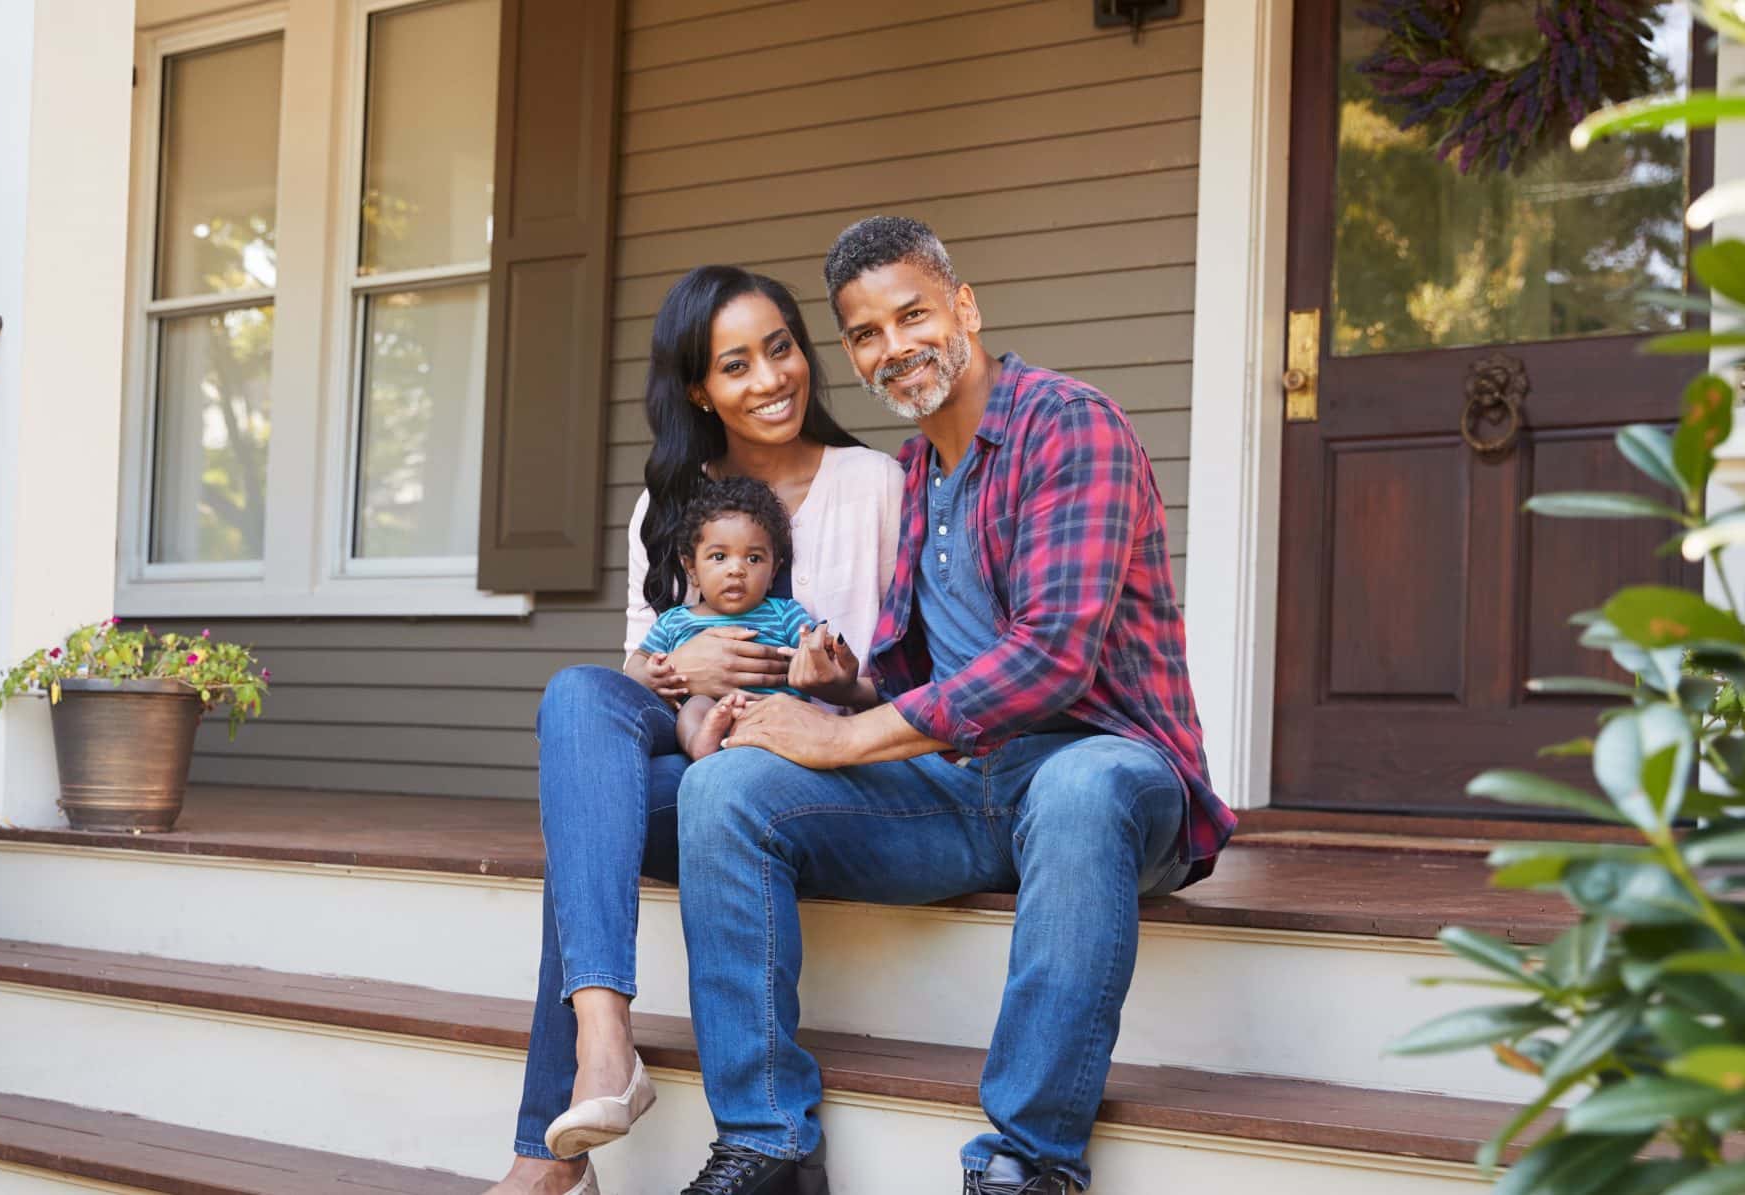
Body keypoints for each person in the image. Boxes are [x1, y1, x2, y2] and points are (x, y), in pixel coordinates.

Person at [669, 217, 1237, 1195]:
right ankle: (764, 1142)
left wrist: (845, 736)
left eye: (913, 314)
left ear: (963, 308)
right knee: (723, 791)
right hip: (967, 788)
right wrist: (830, 684)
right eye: (864, 334)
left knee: (1081, 786)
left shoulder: (1069, 424)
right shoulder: (918, 472)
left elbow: (1052, 660)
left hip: (1103, 776)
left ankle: (1026, 1161)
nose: (894, 347)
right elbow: (918, 680)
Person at [483, 265, 903, 1195]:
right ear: (698, 390)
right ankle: (604, 1042)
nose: (770, 379)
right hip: (704, 760)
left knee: (587, 823)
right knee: (580, 698)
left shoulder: (877, 485)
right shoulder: (664, 510)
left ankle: (546, 1157)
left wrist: (846, 681)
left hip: (817, 780)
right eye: (737, 364)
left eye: (782, 349)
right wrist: (681, 674)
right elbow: (635, 695)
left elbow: (918, 690)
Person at [632, 477, 864, 760]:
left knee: (790, 707)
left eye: (753, 559)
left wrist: (820, 653)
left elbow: (813, 645)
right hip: (709, 712)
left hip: (771, 712)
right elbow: (637, 661)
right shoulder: (675, 621)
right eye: (719, 556)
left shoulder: (784, 613)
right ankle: (700, 744)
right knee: (696, 707)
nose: (736, 570)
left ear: (773, 572)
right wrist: (650, 675)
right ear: (691, 568)